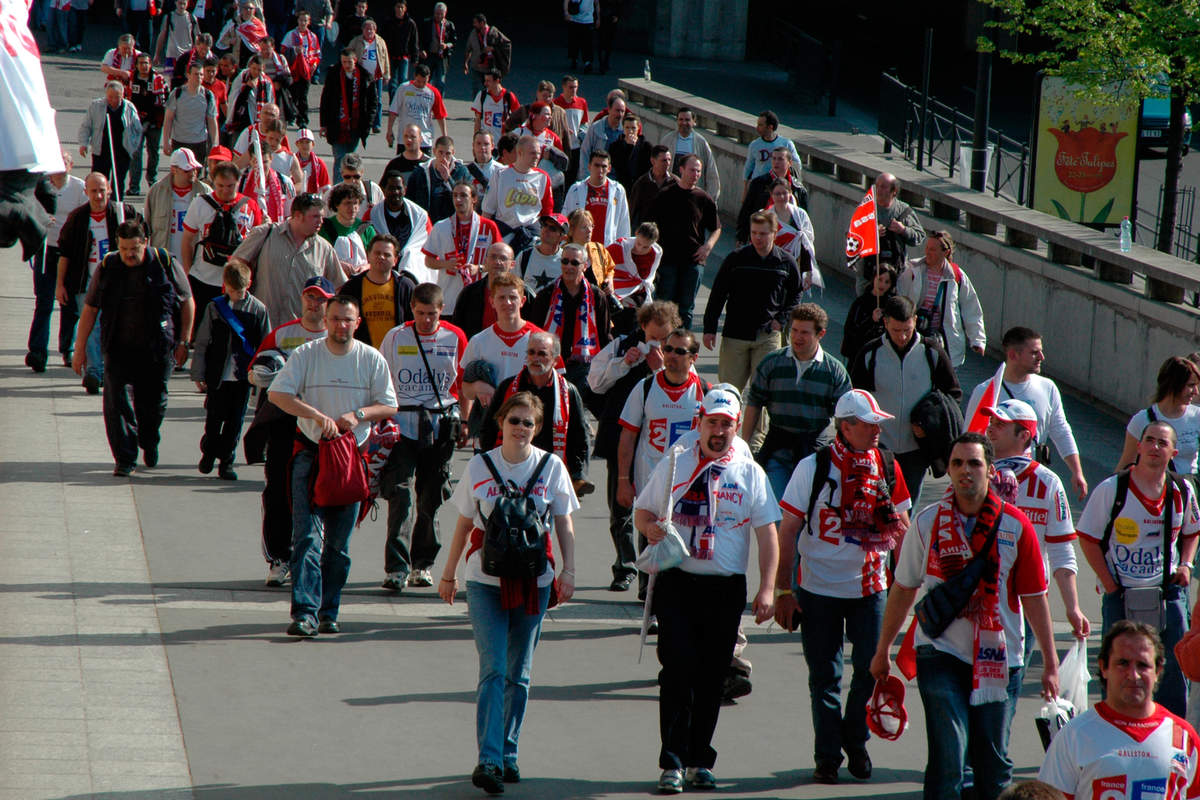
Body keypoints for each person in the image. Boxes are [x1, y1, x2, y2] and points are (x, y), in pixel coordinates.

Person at [870, 433, 1061, 800]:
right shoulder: (927, 522)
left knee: (992, 765)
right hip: (940, 652)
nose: (964, 471)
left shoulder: (1016, 526)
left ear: (990, 471)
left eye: (974, 463)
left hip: (1000, 658)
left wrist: (1050, 663)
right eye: (957, 463)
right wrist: (883, 650)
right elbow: (903, 587)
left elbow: (1035, 599)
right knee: (949, 758)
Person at [634, 388, 779, 794]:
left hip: (726, 587)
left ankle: (700, 759)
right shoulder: (676, 461)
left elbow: (768, 534)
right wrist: (650, 528)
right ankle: (673, 763)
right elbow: (642, 512)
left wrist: (768, 588)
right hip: (678, 581)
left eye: (726, 424)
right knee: (677, 669)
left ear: (736, 427)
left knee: (712, 677)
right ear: (700, 423)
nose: (718, 431)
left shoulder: (749, 472)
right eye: (712, 423)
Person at [438, 390, 577, 794]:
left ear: (537, 428)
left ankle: (509, 752)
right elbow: (465, 524)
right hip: (485, 580)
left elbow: (564, 524)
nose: (520, 428)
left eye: (528, 423)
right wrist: (448, 575)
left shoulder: (551, 467)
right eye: (514, 421)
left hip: (535, 581)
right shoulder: (480, 466)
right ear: (500, 423)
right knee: (494, 669)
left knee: (520, 674)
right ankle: (489, 759)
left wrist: (569, 571)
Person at [775, 388, 912, 784]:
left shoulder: (887, 465)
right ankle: (827, 757)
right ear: (845, 427)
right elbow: (788, 530)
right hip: (817, 590)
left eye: (877, 425)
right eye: (868, 425)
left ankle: (856, 737)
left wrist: (908, 581)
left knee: (870, 671)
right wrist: (783, 589)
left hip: (870, 588)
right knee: (824, 677)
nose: (876, 432)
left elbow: (902, 529)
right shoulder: (813, 467)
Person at [267, 295, 397, 636]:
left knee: (338, 547)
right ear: (325, 320)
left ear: (357, 322)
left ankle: (329, 610)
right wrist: (316, 415)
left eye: (347, 320)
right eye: (335, 319)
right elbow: (277, 395)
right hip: (310, 453)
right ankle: (304, 614)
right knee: (306, 538)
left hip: (351, 458)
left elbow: (389, 405)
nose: (341, 325)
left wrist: (358, 415)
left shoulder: (370, 358)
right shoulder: (306, 355)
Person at [1077, 421, 1199, 717]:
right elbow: (1088, 537)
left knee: (1173, 666)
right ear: (1139, 446)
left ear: (1174, 451)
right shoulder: (1113, 489)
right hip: (1121, 592)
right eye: (1150, 440)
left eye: (1162, 443)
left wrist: (1186, 563)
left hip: (1166, 591)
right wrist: (1108, 583)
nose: (1155, 447)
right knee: (1116, 667)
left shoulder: (1181, 489)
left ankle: (1170, 731)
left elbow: (1192, 530)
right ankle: (1115, 726)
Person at [72, 220, 195, 476]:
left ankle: (149, 440)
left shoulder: (165, 262)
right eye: (124, 248)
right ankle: (125, 458)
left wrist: (184, 341)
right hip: (118, 348)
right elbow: (90, 309)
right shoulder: (107, 266)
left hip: (157, 349)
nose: (129, 254)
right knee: (116, 403)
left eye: (135, 248)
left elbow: (187, 302)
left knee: (153, 404)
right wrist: (80, 348)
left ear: (145, 243)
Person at [1038, 621, 1200, 797]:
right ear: (1104, 667)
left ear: (1158, 670)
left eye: (1143, 665)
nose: (1133, 675)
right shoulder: (1074, 736)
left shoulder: (1184, 737)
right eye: (1123, 663)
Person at [378, 282, 467, 591]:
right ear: (411, 309)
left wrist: (465, 420)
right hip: (402, 422)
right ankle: (396, 568)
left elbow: (463, 382)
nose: (426, 320)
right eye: (420, 313)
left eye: (432, 314)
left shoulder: (455, 337)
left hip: (440, 424)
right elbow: (382, 378)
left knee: (431, 498)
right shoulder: (395, 336)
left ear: (442, 310)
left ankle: (423, 565)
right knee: (399, 495)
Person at [244, 276, 331, 586]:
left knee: (322, 494)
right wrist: (263, 374)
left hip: (323, 426)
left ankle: (315, 557)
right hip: (284, 423)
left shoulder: (337, 335)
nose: (314, 302)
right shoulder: (283, 334)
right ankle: (279, 559)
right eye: (310, 295)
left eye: (321, 298)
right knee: (278, 490)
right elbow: (253, 373)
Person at [984, 399, 1090, 650]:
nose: (991, 428)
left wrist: (1072, 607)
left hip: (1027, 599)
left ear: (1024, 436)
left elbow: (1061, 550)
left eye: (1001, 424)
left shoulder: (1048, 483)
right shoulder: (976, 473)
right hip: (980, 595)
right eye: (992, 421)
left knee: (1011, 678)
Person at [589, 300, 678, 590]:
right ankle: (625, 565)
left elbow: (684, 387)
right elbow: (595, 383)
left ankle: (648, 574)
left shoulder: (678, 350)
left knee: (653, 508)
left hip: (658, 442)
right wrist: (623, 363)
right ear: (642, 328)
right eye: (655, 337)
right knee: (621, 504)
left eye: (665, 337)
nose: (660, 343)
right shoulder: (621, 346)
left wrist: (661, 368)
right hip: (620, 436)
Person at [849, 295, 960, 508]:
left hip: (916, 450)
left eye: (907, 330)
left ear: (915, 321)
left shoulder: (932, 352)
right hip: (879, 447)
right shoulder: (870, 354)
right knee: (877, 507)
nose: (902, 337)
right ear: (885, 323)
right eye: (896, 331)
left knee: (906, 510)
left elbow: (953, 395)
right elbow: (855, 398)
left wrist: (929, 424)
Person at [615, 324, 708, 572]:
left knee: (685, 536)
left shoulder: (705, 392)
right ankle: (648, 591)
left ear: (693, 358)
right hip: (650, 476)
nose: (672, 355)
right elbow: (627, 437)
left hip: (689, 482)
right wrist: (623, 479)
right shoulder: (645, 387)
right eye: (668, 349)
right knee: (650, 532)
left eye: (680, 351)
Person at [744, 303, 852, 500]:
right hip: (778, 448)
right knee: (779, 510)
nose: (797, 337)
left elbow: (846, 418)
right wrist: (744, 445)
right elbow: (754, 403)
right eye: (794, 330)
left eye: (805, 332)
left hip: (815, 453)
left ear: (821, 334)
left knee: (807, 514)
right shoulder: (771, 363)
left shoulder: (834, 371)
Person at [965, 326, 1089, 499]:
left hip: (1033, 477)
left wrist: (1077, 471)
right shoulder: (986, 391)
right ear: (1013, 355)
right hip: (995, 478)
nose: (1041, 357)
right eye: (1034, 353)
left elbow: (1061, 430)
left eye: (1041, 352)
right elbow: (971, 436)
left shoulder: (1048, 388)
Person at [55, 173, 141, 395]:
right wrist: (60, 284)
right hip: (87, 282)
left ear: (109, 190)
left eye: (102, 190)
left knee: (119, 326)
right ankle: (94, 372)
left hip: (118, 281)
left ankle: (118, 370)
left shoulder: (123, 213)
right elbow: (64, 253)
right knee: (92, 326)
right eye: (93, 191)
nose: (99, 195)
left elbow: (143, 239)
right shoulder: (78, 218)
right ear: (86, 192)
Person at [702, 211, 805, 392]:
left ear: (774, 233)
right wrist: (709, 328)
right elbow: (718, 294)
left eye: (763, 233)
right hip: (735, 333)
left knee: (764, 392)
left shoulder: (786, 262)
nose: (758, 238)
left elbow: (796, 293)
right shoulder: (736, 259)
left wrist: (781, 319)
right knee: (728, 391)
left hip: (768, 334)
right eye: (754, 232)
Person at [480, 330, 591, 493]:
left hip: (550, 473)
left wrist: (577, 475)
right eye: (531, 353)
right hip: (510, 470)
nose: (535, 358)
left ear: (555, 360)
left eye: (542, 354)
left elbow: (579, 436)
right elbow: (489, 428)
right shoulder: (508, 387)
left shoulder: (568, 392)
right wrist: (489, 465)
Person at [190, 260, 270, 479]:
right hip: (218, 376)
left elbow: (265, 345)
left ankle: (227, 462)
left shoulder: (258, 310)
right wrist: (198, 373)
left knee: (235, 423)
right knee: (214, 420)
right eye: (233, 291)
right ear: (225, 286)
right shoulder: (214, 307)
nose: (237, 295)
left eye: (241, 290)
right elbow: (203, 342)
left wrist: (263, 375)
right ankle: (209, 452)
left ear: (249, 284)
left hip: (244, 378)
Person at [231, 192, 344, 326]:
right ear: (297, 215)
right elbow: (235, 266)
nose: (320, 222)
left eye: (322, 217)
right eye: (315, 217)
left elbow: (340, 286)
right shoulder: (265, 234)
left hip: (300, 331)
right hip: (261, 325)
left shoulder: (325, 249)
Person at [180, 161, 265, 327]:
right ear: (213, 182)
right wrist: (189, 271)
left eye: (230, 186)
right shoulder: (200, 203)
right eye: (220, 186)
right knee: (202, 330)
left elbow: (257, 245)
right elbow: (187, 241)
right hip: (202, 278)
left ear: (238, 182)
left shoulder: (250, 205)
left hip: (236, 283)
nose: (225, 190)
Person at [26, 153, 86, 374]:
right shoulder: (40, 186)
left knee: (69, 303)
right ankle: (38, 351)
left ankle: (68, 348)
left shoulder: (79, 188)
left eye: (63, 164)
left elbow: (85, 216)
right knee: (43, 301)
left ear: (70, 166)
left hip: (69, 252)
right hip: (45, 249)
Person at [643, 154, 719, 330]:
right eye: (692, 170)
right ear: (681, 169)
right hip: (668, 261)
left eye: (699, 171)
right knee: (665, 307)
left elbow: (716, 228)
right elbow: (649, 225)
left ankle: (683, 349)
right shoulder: (664, 195)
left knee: (686, 308)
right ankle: (663, 344)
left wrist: (708, 247)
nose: (696, 174)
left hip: (693, 261)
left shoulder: (703, 198)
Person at [458, 270, 544, 422]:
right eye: (502, 297)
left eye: (513, 297)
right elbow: (465, 389)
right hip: (489, 425)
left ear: (522, 301)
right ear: (492, 301)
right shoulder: (478, 341)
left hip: (528, 425)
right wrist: (477, 387)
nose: (507, 302)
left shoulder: (541, 340)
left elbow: (556, 386)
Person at [527, 241, 612, 393]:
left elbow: (604, 335)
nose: (569, 266)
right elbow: (535, 332)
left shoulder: (597, 296)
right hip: (551, 363)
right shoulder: (546, 295)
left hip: (584, 365)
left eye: (574, 262)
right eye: (565, 261)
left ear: (585, 266)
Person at [896, 230, 985, 368]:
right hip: (916, 334)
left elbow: (971, 307)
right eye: (927, 248)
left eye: (932, 249)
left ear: (946, 252)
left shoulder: (956, 276)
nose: (927, 252)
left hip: (945, 339)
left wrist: (977, 340)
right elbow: (900, 298)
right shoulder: (913, 270)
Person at [423, 181, 501, 316]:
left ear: (474, 199)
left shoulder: (488, 227)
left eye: (463, 195)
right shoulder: (441, 227)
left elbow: (500, 262)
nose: (458, 200)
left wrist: (479, 268)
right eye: (455, 195)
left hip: (479, 300)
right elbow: (428, 261)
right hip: (449, 300)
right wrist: (446, 264)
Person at [1117, 355, 1200, 475]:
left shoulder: (1197, 417)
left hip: (1187, 490)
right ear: (1173, 385)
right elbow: (1125, 465)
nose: (1196, 392)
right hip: (1154, 489)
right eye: (1191, 385)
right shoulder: (1142, 420)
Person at [339, 233, 417, 348]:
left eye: (387, 255)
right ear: (368, 255)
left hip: (398, 354)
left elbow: (415, 324)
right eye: (377, 253)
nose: (381, 257)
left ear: (395, 260)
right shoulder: (351, 287)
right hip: (364, 355)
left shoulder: (406, 287)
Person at [855, 172, 925, 294]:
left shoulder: (903, 211)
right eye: (876, 186)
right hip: (868, 273)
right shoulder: (865, 209)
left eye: (883, 187)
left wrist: (903, 230)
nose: (878, 190)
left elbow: (920, 237)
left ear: (894, 191)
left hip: (897, 274)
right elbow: (851, 238)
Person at [483, 135, 554, 255]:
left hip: (531, 235)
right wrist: (483, 239)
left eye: (538, 153)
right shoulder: (501, 174)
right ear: (520, 153)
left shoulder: (543, 177)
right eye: (532, 153)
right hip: (504, 232)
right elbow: (487, 210)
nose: (537, 157)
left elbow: (547, 213)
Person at [144, 147, 211, 269]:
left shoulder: (205, 192)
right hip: (163, 262)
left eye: (194, 169)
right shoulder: (156, 191)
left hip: (196, 265)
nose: (192, 173)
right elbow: (146, 228)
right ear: (173, 170)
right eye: (187, 170)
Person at [452, 242, 533, 339]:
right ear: (486, 261)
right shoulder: (469, 293)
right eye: (493, 257)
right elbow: (458, 329)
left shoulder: (525, 293)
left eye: (503, 258)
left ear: (512, 264)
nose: (497, 262)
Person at [319, 48, 380, 176]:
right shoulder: (334, 75)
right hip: (337, 124)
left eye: (349, 62)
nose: (346, 65)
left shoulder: (365, 77)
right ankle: (338, 190)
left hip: (355, 126)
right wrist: (323, 124)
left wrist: (368, 124)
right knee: (340, 158)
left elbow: (373, 103)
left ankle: (349, 185)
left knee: (350, 159)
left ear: (355, 61)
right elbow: (325, 101)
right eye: (344, 62)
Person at [79, 81, 143, 200]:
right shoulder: (96, 106)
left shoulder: (129, 108)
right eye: (110, 97)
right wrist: (83, 144)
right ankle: (98, 203)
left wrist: (133, 147)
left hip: (122, 151)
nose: (113, 100)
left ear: (122, 95)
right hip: (101, 150)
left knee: (118, 183)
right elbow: (86, 126)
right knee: (99, 181)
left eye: (117, 97)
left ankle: (116, 207)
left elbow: (138, 129)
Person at [367, 171, 431, 280]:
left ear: (405, 190)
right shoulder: (372, 215)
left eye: (399, 188)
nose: (395, 192)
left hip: (412, 273)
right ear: (384, 190)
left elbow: (429, 245)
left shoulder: (420, 215)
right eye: (391, 188)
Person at [737, 147, 807, 244]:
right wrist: (741, 237)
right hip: (762, 236)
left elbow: (803, 219)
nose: (776, 162)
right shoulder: (759, 184)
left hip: (790, 241)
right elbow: (747, 210)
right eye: (773, 158)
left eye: (780, 159)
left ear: (789, 163)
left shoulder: (798, 189)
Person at [562, 150, 630, 246]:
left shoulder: (618, 190)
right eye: (596, 165)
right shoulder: (575, 189)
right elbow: (566, 218)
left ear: (609, 168)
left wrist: (622, 249)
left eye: (604, 166)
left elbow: (624, 223)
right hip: (580, 249)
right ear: (589, 166)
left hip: (606, 249)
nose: (600, 170)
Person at [607, 223, 662, 334]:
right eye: (638, 243)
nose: (640, 249)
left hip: (638, 298)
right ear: (636, 234)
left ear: (653, 243)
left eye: (645, 247)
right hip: (617, 295)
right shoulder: (620, 246)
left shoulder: (656, 252)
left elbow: (648, 278)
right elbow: (603, 263)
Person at [126, 53, 168, 196]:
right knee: (136, 153)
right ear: (136, 65)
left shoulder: (158, 79)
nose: (144, 66)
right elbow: (126, 100)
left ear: (151, 65)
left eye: (147, 63)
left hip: (155, 122)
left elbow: (163, 102)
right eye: (141, 63)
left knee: (153, 152)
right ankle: (134, 186)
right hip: (135, 122)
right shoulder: (131, 79)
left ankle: (152, 180)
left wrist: (152, 120)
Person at [162, 60, 220, 162]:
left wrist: (215, 144)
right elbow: (168, 119)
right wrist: (166, 142)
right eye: (196, 74)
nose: (199, 77)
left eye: (201, 74)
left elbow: (212, 121)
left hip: (199, 142)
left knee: (196, 175)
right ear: (188, 75)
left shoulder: (208, 95)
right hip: (179, 142)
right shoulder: (177, 93)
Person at [385, 63, 447, 154]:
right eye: (418, 81)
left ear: (428, 78)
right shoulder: (404, 88)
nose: (421, 84)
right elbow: (393, 111)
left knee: (425, 167)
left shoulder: (433, 92)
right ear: (414, 76)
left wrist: (444, 136)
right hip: (405, 139)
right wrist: (389, 130)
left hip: (424, 140)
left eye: (424, 82)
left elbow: (440, 115)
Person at [408, 135, 471, 224]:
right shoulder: (421, 172)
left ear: (453, 153)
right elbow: (409, 200)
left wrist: (448, 179)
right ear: (434, 151)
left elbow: (467, 198)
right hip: (428, 223)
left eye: (448, 153)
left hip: (453, 223)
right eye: (440, 152)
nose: (444, 157)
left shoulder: (461, 172)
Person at [840, 263, 896, 363]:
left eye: (887, 282)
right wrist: (871, 320)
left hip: (879, 356)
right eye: (880, 279)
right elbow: (851, 330)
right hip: (858, 353)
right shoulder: (861, 302)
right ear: (874, 278)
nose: (882, 285)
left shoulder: (891, 305)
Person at [660, 108, 720, 201]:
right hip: (671, 193)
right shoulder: (667, 140)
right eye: (681, 119)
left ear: (694, 122)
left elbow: (711, 174)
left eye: (687, 120)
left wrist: (711, 199)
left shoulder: (701, 143)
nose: (684, 123)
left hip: (693, 195)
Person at [319, 183, 376, 276]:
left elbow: (376, 258)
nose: (352, 207)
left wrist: (365, 267)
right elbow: (319, 257)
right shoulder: (324, 228)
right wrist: (338, 265)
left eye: (355, 203)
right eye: (347, 203)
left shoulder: (367, 229)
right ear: (337, 205)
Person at [280, 11, 322, 128]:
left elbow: (317, 54)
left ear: (309, 22)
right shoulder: (290, 35)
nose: (302, 23)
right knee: (293, 95)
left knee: (303, 97)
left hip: (306, 71)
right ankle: (291, 116)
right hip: (294, 70)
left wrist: (314, 64)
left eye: (305, 20)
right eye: (301, 20)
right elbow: (283, 50)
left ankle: (302, 120)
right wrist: (294, 51)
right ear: (297, 21)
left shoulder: (313, 37)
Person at [742, 111, 801, 193]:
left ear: (770, 127)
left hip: (780, 189)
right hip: (759, 189)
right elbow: (748, 169)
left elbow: (797, 165)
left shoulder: (786, 144)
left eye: (761, 125)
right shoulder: (754, 145)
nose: (757, 128)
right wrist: (745, 191)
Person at [564, 208, 616, 292]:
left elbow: (610, 268)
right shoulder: (563, 253)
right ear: (571, 231)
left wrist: (610, 280)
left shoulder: (599, 249)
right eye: (584, 227)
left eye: (591, 226)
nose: (589, 230)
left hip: (597, 301)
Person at [576, 93, 624, 181]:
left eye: (622, 111)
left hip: (615, 180)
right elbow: (585, 152)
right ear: (609, 110)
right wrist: (585, 177)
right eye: (617, 110)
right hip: (595, 178)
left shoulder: (625, 130)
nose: (620, 114)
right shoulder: (596, 127)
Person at [515, 214, 568, 293]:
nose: (546, 229)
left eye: (552, 228)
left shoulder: (567, 260)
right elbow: (513, 285)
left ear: (562, 237)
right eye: (545, 225)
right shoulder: (524, 256)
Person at [462, 13, 511, 98]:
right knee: (476, 91)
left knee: (490, 92)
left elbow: (507, 44)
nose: (474, 25)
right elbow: (468, 49)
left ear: (482, 23)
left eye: (475, 23)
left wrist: (493, 48)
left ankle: (488, 108)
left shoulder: (494, 33)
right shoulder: (473, 34)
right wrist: (466, 62)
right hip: (476, 67)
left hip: (489, 69)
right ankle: (478, 110)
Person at [381, 0, 420, 98]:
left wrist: (415, 58)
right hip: (391, 56)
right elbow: (382, 39)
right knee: (392, 81)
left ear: (405, 9)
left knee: (403, 80)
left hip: (404, 56)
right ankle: (393, 103)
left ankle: (402, 103)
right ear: (395, 8)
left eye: (402, 7)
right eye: (398, 7)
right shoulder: (388, 22)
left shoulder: (410, 23)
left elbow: (414, 41)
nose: (400, 9)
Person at [471, 68, 519, 146]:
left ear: (497, 81)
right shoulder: (482, 95)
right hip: (486, 144)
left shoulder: (508, 96)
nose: (485, 83)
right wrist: (475, 141)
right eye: (485, 80)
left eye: (488, 81)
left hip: (503, 143)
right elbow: (478, 120)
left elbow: (518, 118)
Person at [553, 74, 589, 178]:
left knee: (574, 175)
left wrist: (582, 134)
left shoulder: (582, 102)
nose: (574, 90)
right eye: (571, 87)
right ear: (563, 87)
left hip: (576, 146)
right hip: (561, 145)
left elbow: (584, 123)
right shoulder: (556, 103)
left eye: (575, 87)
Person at [609, 112, 651, 192]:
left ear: (638, 128)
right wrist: (629, 148)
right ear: (623, 128)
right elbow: (618, 167)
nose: (630, 131)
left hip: (640, 188)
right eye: (627, 128)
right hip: (621, 187)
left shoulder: (646, 147)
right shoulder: (615, 146)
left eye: (633, 128)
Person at [419, 2, 454, 94]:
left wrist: (447, 45)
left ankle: (438, 103)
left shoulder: (449, 25)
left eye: (441, 14)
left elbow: (453, 42)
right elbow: (419, 38)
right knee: (425, 79)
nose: (438, 16)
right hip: (429, 56)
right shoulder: (426, 23)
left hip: (442, 57)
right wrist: (421, 50)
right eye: (437, 13)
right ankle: (424, 100)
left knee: (440, 82)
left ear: (445, 13)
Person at [153, 0, 199, 69]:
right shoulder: (169, 17)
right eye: (180, 3)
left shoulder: (192, 18)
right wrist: (157, 54)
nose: (182, 6)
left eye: (184, 3)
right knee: (169, 78)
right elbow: (162, 36)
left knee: (186, 78)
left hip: (187, 55)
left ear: (187, 3)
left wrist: (196, 54)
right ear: (175, 3)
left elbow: (197, 37)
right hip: (172, 55)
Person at [465, 130, 502, 202]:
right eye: (478, 143)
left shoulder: (501, 170)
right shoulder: (466, 171)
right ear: (473, 145)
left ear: (492, 146)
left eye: (486, 144)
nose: (482, 147)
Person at [294, 128, 332, 195]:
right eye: (301, 142)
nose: (304, 145)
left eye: (307, 142)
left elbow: (326, 187)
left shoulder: (319, 164)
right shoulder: (291, 162)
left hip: (314, 200)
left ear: (313, 144)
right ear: (297, 144)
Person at [563, 0, 595, 72]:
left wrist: (598, 17)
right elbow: (566, 1)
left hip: (588, 20)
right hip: (575, 19)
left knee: (587, 43)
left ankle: (587, 62)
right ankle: (574, 59)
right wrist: (566, 12)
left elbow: (597, 3)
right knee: (574, 42)